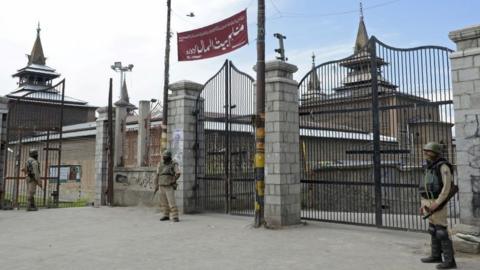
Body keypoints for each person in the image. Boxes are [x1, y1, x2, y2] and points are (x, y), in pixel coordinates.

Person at [419, 142, 456, 269]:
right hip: (428, 201)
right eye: (425, 150)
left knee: (441, 232)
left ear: (435, 153)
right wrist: (423, 204)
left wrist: (437, 203)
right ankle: (435, 255)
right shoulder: (429, 166)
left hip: (437, 202)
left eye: (428, 151)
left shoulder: (443, 166)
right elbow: (424, 185)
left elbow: (446, 188)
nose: (425, 153)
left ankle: (450, 261)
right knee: (432, 229)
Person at [154, 150, 181, 222]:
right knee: (163, 202)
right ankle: (166, 215)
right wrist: (156, 184)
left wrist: (173, 180)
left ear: (169, 157)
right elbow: (157, 175)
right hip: (161, 185)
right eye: (164, 156)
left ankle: (175, 216)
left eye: (166, 156)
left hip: (169, 186)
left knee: (171, 202)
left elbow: (178, 173)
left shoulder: (173, 164)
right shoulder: (160, 164)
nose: (165, 158)